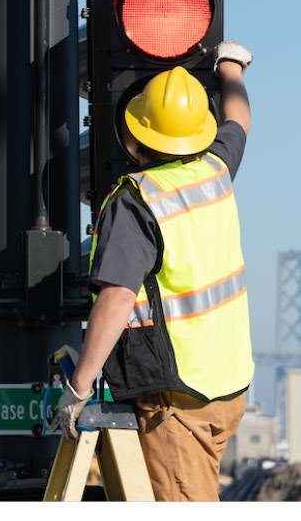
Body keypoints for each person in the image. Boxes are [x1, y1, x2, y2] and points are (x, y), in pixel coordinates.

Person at [54, 44, 254, 501]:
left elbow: (118, 297)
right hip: (226, 386)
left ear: (133, 136)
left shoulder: (137, 200)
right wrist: (230, 66)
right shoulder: (215, 169)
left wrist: (79, 386)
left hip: (175, 400)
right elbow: (238, 119)